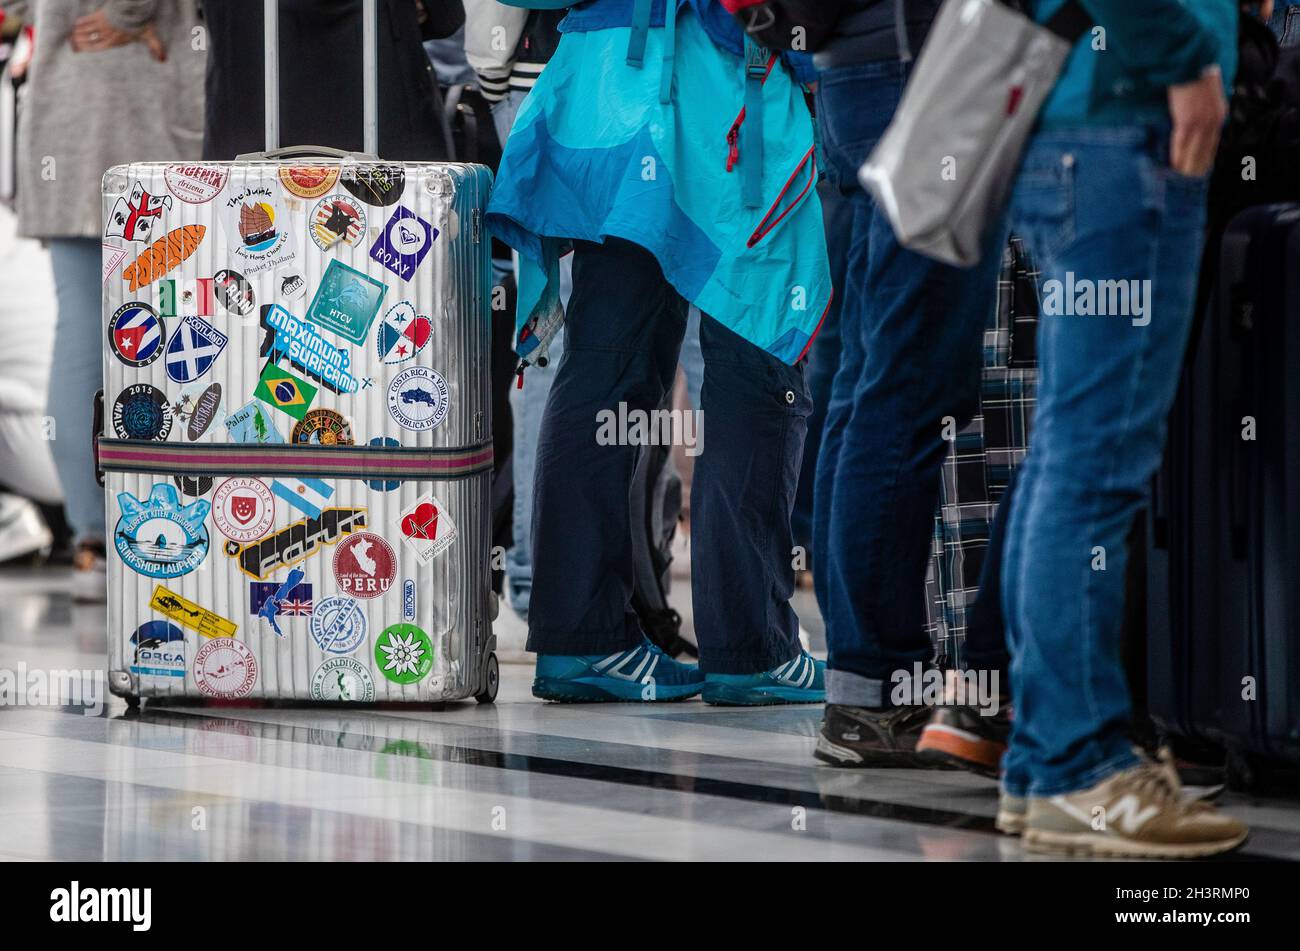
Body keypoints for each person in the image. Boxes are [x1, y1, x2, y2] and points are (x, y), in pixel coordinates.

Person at [488, 0, 831, 704]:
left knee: (604, 362)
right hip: (728, 95)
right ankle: (751, 649)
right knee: (755, 357)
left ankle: (581, 639)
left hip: (603, 91)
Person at [5, 0, 205, 600]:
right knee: (176, 326)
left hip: (63, 120)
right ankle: (168, 530)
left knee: (81, 330)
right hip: (142, 111)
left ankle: (92, 538)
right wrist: (127, 13)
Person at [201, 0, 464, 161]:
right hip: (382, 122)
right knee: (393, 233)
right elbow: (446, 18)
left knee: (245, 230)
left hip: (247, 121)